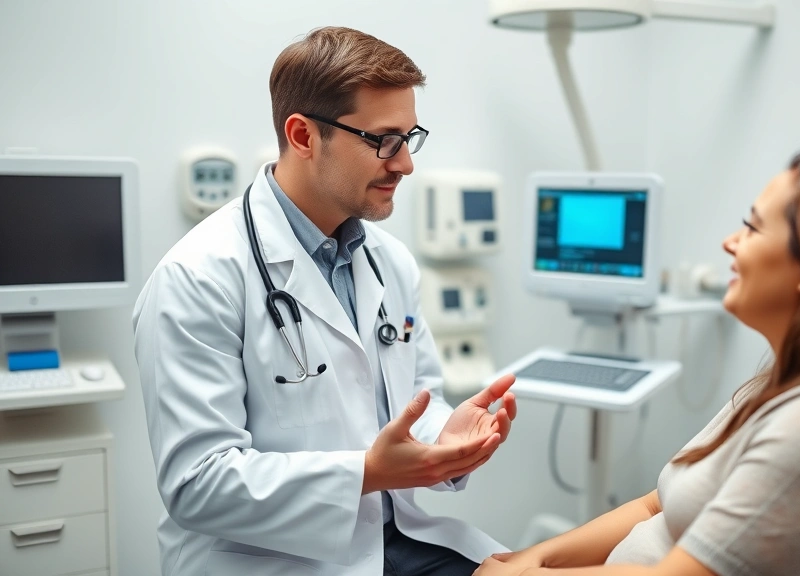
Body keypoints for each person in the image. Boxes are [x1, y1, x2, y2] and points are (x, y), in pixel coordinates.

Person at [475, 149, 800, 576]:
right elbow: (656, 503)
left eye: (752, 228)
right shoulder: (790, 380)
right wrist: (534, 558)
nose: (730, 243)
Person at [133, 26, 517, 576]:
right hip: (270, 562)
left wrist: (447, 438)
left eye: (409, 138)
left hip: (391, 540)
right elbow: (198, 484)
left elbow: (416, 402)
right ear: (303, 136)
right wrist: (367, 472)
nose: (405, 164)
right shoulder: (196, 278)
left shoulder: (390, 262)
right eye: (384, 140)